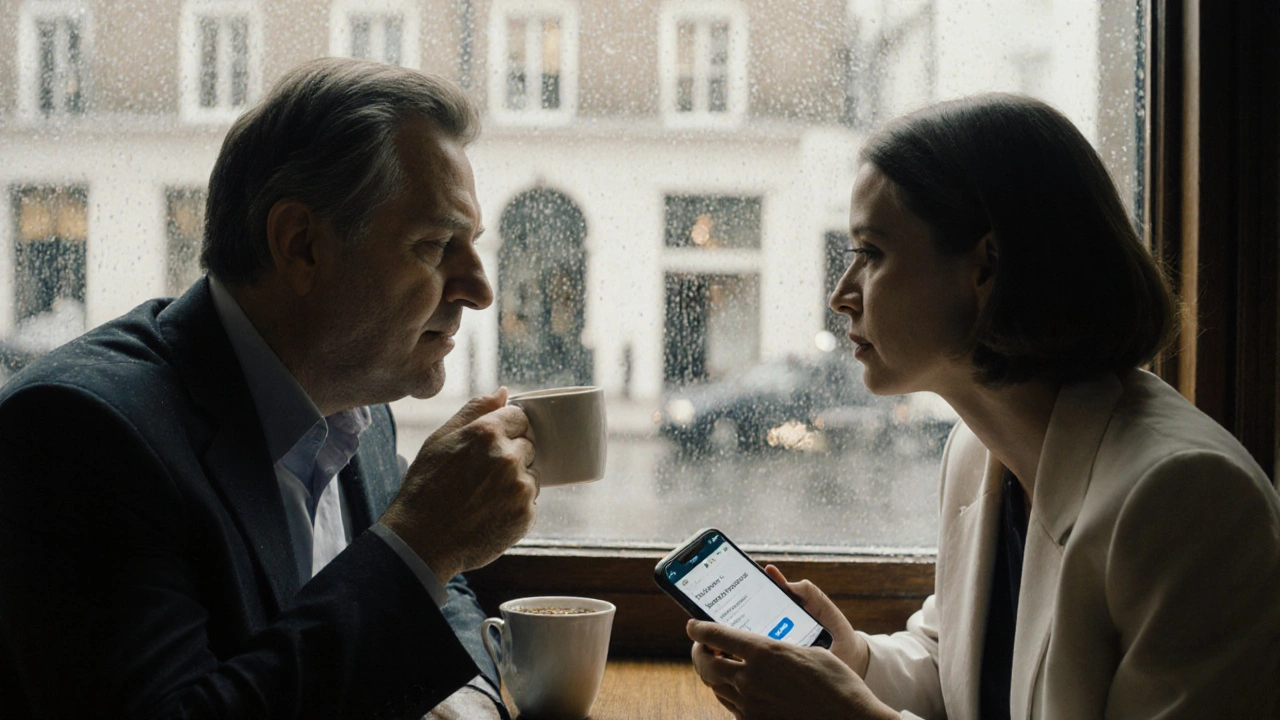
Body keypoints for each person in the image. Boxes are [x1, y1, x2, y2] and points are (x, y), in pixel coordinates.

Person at [687, 93, 1280, 719]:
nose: (842, 295)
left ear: (986, 267)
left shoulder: (1189, 499)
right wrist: (852, 661)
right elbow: (956, 676)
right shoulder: (976, 451)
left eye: (872, 253)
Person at [0, 58, 540, 719]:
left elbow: (439, 593)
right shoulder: (79, 434)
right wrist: (422, 542)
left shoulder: (361, 408)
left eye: (472, 245)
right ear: (301, 245)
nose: (480, 290)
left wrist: (470, 701)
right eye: (434, 245)